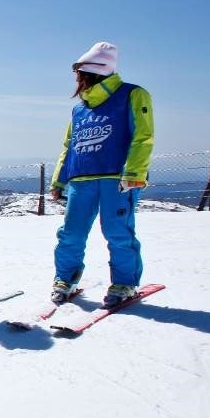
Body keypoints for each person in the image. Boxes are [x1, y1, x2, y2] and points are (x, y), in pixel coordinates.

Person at [50, 41, 155, 307]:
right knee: (70, 233)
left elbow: (143, 136)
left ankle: (124, 282)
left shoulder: (133, 95)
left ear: (91, 73)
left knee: (117, 231)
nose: (76, 81)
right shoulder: (79, 109)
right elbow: (70, 146)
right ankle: (65, 278)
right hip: (81, 179)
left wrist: (134, 172)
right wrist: (59, 180)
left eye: (78, 75)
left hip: (117, 178)